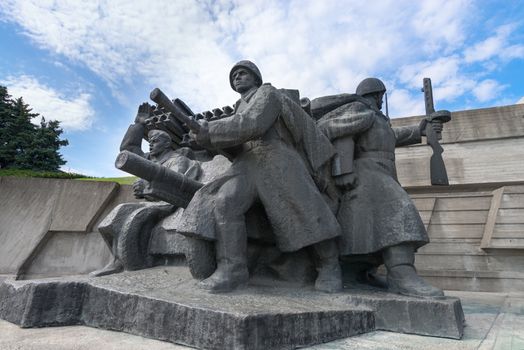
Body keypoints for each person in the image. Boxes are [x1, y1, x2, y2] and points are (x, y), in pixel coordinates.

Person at [175, 60, 342, 293]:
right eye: (234, 76)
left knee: (306, 211)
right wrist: (206, 138)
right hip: (247, 162)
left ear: (256, 77)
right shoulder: (238, 107)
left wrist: (211, 129)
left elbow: (253, 123)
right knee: (225, 202)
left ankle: (328, 266)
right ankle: (232, 270)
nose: (237, 78)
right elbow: (236, 143)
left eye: (243, 73)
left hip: (277, 156)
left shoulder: (267, 93)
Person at [317, 77, 444, 298]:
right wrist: (343, 169)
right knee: (400, 210)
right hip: (366, 172)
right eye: (380, 96)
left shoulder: (379, 120)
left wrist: (420, 130)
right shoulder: (358, 109)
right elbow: (341, 132)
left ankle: (361, 273)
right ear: (377, 95)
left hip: (383, 172)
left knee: (365, 228)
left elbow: (392, 137)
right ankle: (402, 274)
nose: (381, 100)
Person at [91, 111, 201, 277]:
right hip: (153, 200)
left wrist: (147, 188)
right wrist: (138, 125)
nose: (150, 145)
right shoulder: (151, 159)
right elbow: (129, 151)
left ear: (166, 144)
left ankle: (132, 262)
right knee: (112, 220)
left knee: (136, 215)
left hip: (169, 202)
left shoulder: (177, 160)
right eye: (149, 142)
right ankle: (116, 261)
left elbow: (174, 185)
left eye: (155, 142)